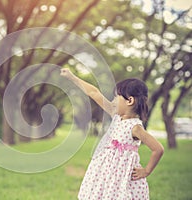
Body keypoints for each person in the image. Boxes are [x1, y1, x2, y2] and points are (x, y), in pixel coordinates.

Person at [60, 68, 164, 200]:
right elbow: (94, 93)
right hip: (104, 173)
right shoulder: (116, 116)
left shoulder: (135, 127)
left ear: (130, 101)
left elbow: (158, 149)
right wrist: (72, 77)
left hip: (121, 176)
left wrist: (146, 170)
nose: (113, 100)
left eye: (117, 97)